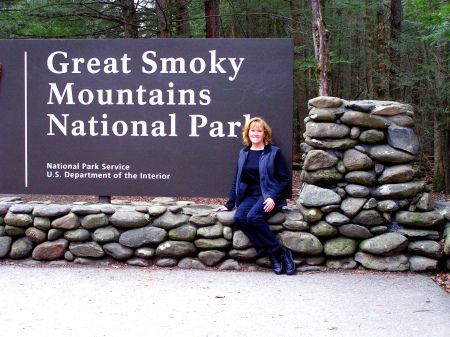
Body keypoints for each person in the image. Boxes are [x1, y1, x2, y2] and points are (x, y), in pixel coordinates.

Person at [215, 117, 295, 275]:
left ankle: (279, 254)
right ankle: (277, 252)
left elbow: (284, 180)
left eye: (259, 130)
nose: (255, 133)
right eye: (252, 130)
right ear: (248, 133)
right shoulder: (244, 153)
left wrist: (272, 197)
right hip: (251, 195)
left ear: (265, 133)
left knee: (253, 217)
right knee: (239, 218)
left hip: (268, 195)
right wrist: (229, 204)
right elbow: (237, 180)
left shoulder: (274, 152)